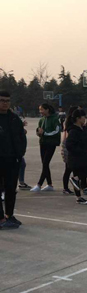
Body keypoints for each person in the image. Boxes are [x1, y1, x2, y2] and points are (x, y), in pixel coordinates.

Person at [0, 91, 27, 229]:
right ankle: (0, 218)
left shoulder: (14, 119)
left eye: (7, 101)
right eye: (2, 100)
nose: (5, 103)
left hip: (13, 160)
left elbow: (22, 137)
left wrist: (20, 153)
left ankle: (9, 215)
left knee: (11, 189)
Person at [65, 108, 87, 205]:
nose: (85, 118)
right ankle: (78, 197)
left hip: (84, 157)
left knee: (85, 173)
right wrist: (80, 151)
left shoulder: (83, 129)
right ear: (78, 118)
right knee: (78, 175)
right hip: (76, 158)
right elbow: (69, 145)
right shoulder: (73, 131)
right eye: (83, 117)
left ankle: (77, 189)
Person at [30, 102, 61, 192]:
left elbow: (57, 131)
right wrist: (38, 133)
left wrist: (45, 133)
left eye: (42, 109)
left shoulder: (55, 119)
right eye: (39, 110)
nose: (40, 111)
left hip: (51, 143)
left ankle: (39, 184)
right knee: (45, 164)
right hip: (43, 143)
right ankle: (49, 184)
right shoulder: (42, 120)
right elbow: (40, 130)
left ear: (47, 110)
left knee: (45, 163)